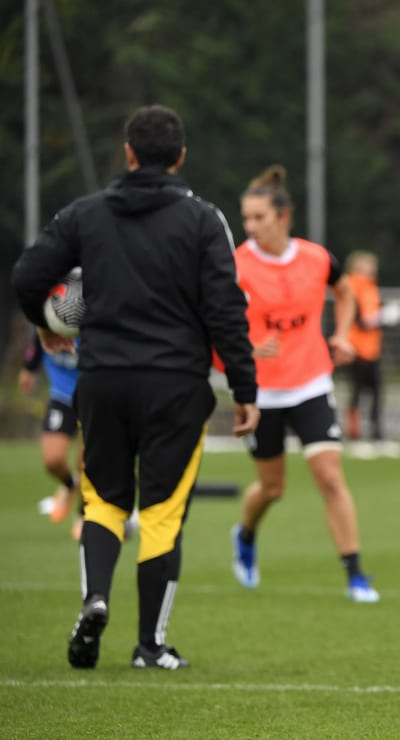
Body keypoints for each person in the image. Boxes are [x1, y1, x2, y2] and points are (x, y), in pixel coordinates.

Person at [11, 104, 260, 671]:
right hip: (174, 385)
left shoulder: (86, 214)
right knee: (161, 513)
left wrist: (47, 328)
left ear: (127, 153)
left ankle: (96, 597)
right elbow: (226, 309)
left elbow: (28, 275)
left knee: (102, 501)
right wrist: (245, 389)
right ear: (179, 158)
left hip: (101, 380)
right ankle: (150, 645)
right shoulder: (203, 220)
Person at [229, 165, 381, 604]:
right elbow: (217, 322)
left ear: (282, 217)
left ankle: (355, 574)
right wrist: (248, 349)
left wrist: (343, 335)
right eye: (247, 218)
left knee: (329, 476)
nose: (251, 226)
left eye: (259, 217)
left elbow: (345, 290)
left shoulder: (316, 258)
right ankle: (245, 533)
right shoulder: (236, 265)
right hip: (261, 393)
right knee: (272, 488)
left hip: (311, 381)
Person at [18, 327, 83, 535]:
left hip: (94, 392)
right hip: (62, 394)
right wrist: (29, 367)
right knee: (53, 460)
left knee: (89, 462)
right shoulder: (51, 307)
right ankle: (70, 484)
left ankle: (84, 514)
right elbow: (39, 331)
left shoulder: (98, 307)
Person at [343, 250, 400, 448]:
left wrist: (384, 318)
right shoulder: (351, 286)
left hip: (372, 350)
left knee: (377, 393)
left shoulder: (370, 288)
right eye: (368, 266)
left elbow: (371, 319)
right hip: (356, 349)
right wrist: (384, 316)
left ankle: (377, 435)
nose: (372, 270)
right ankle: (354, 435)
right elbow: (359, 320)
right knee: (356, 392)